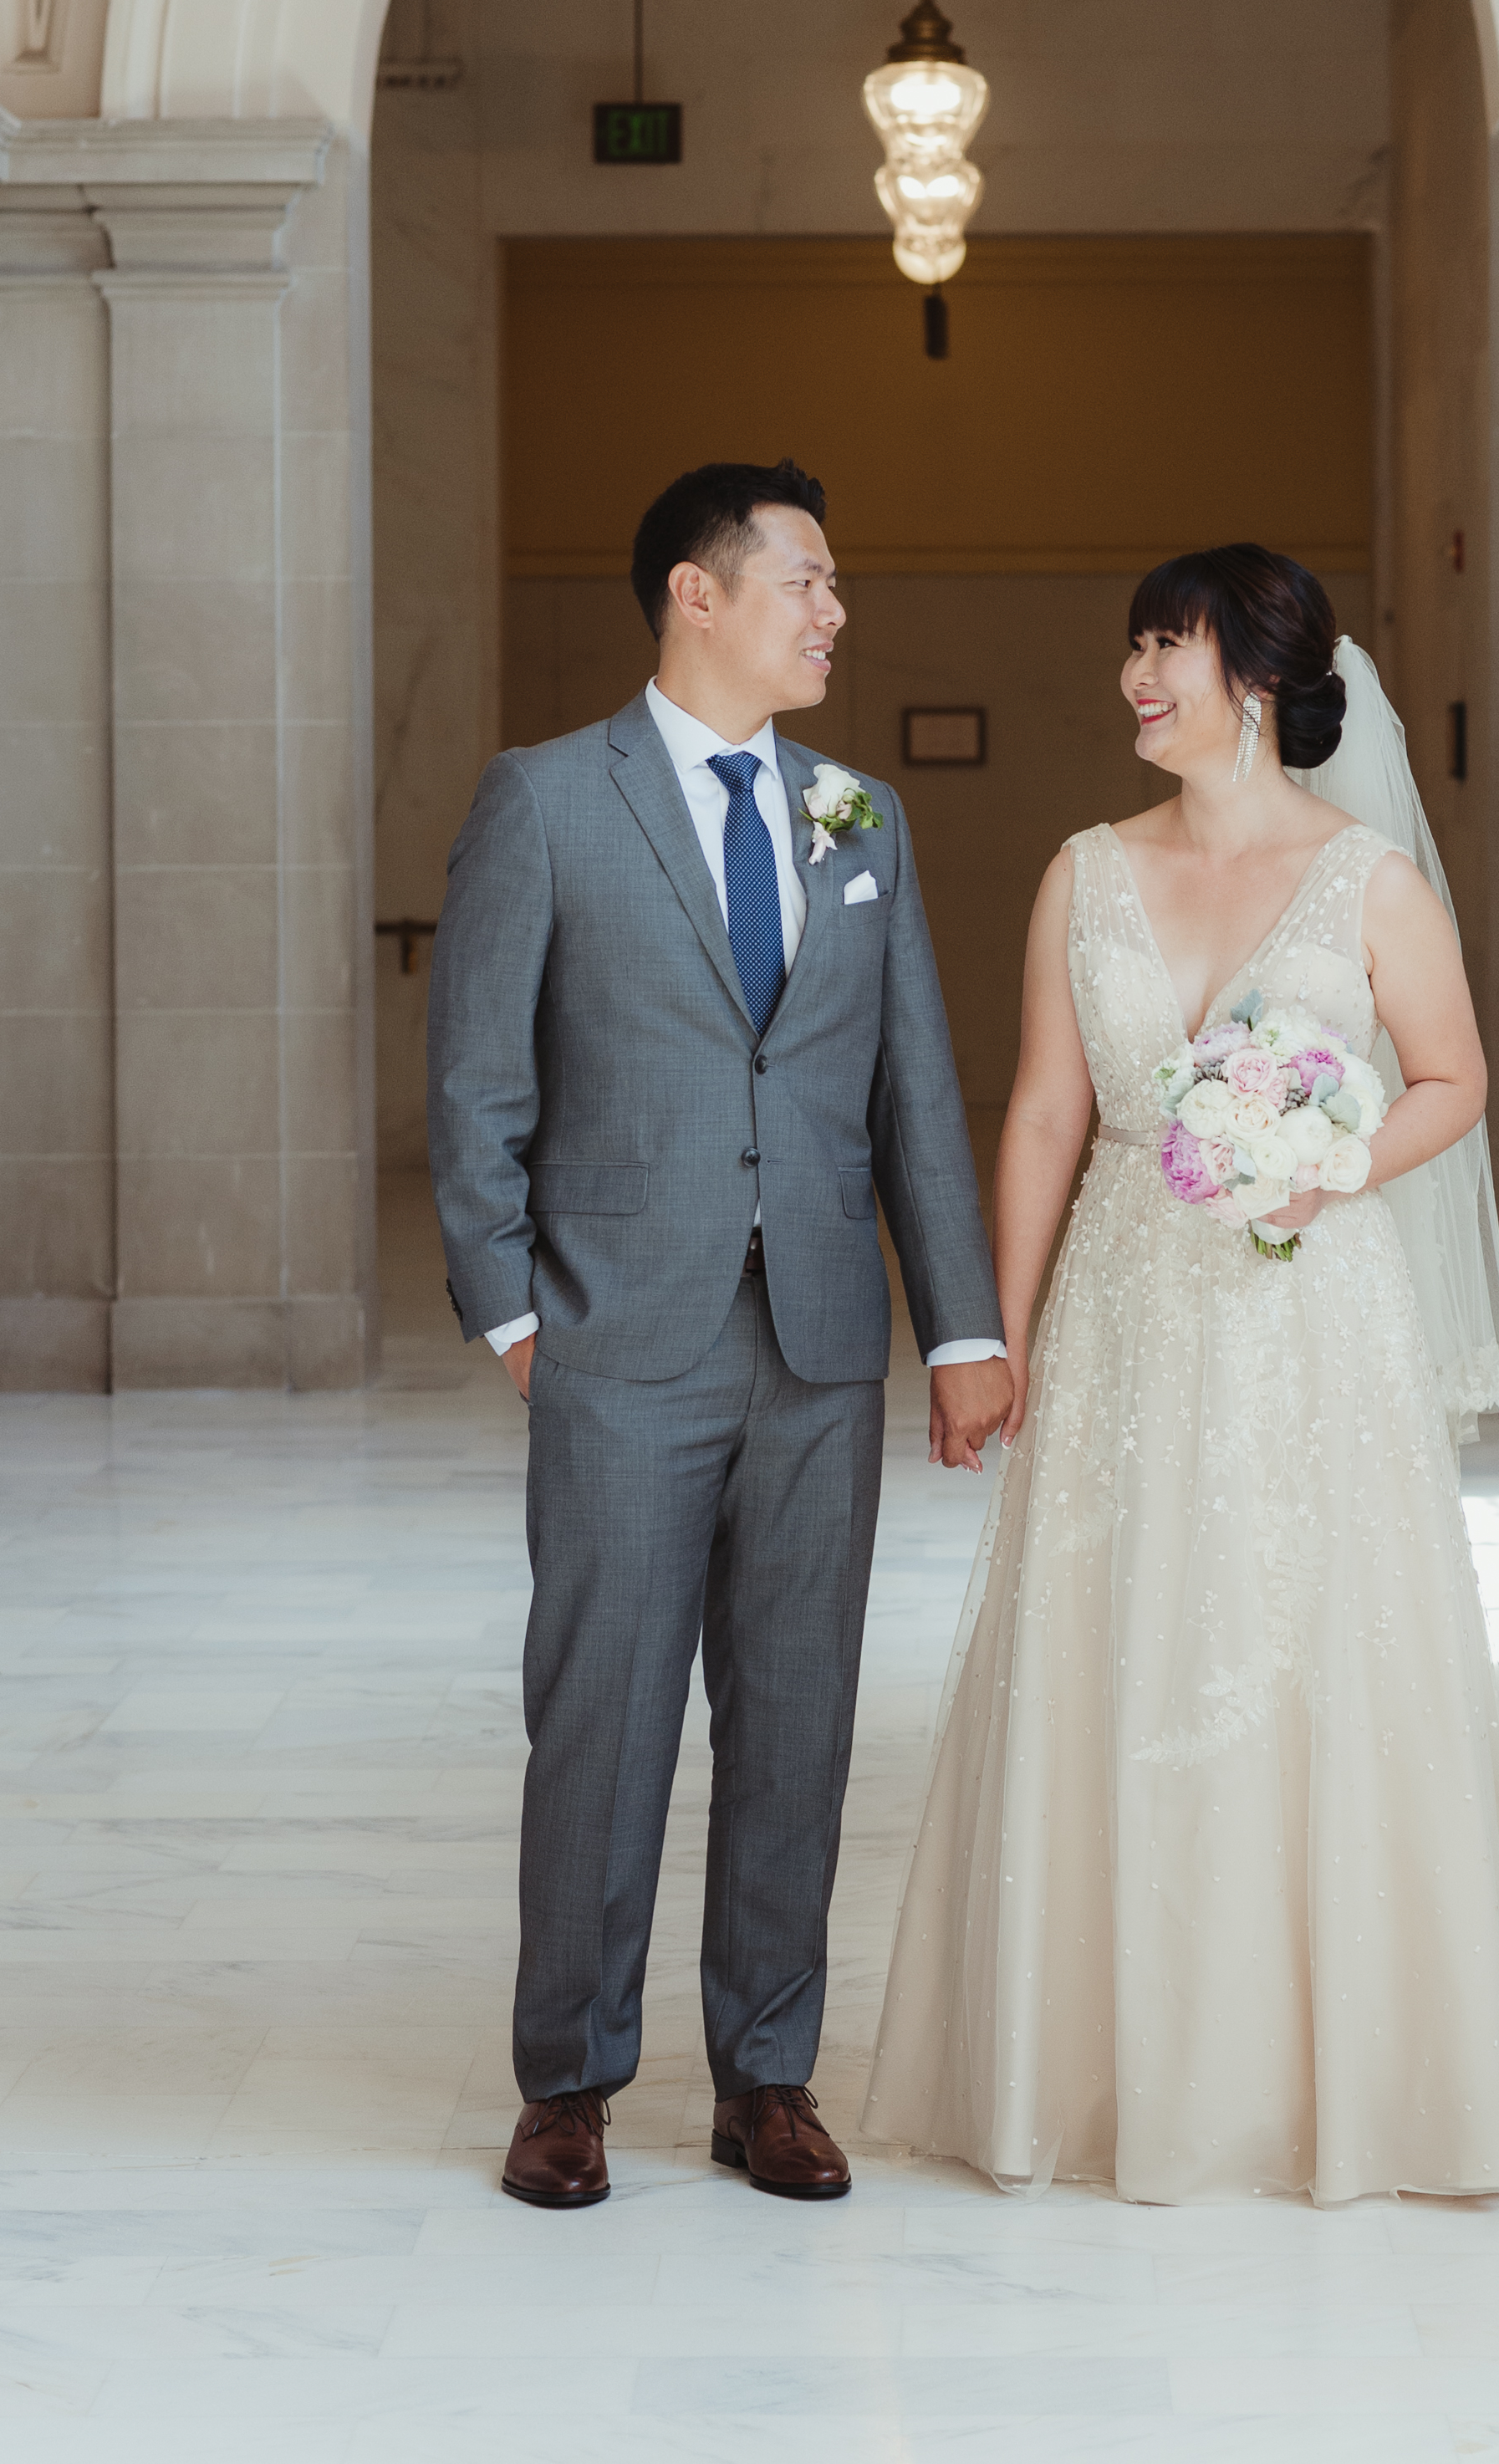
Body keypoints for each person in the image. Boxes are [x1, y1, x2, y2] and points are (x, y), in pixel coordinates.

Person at [862, 544, 1499, 2204]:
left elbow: (1450, 1074)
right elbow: (1047, 1110)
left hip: (1306, 1319)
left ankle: (1331, 2077)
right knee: (1118, 1647)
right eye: (1132, 644)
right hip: (1124, 1306)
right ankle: (1104, 2065)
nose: (1134, 675)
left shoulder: (1366, 882)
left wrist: (1328, 1162)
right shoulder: (1081, 870)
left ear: (1252, 676)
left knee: (1299, 1643)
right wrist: (996, 1333)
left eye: (1164, 645)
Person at [428, 458, 1012, 2210]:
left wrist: (963, 1324)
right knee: (598, 1711)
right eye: (807, 583)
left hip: (822, 1338)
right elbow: (477, 1082)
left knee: (801, 1715)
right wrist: (518, 1314)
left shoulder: (860, 818)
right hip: (619, 1336)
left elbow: (912, 1084)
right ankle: (569, 2081)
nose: (834, 613)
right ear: (697, 592)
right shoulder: (544, 800)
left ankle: (769, 2073)